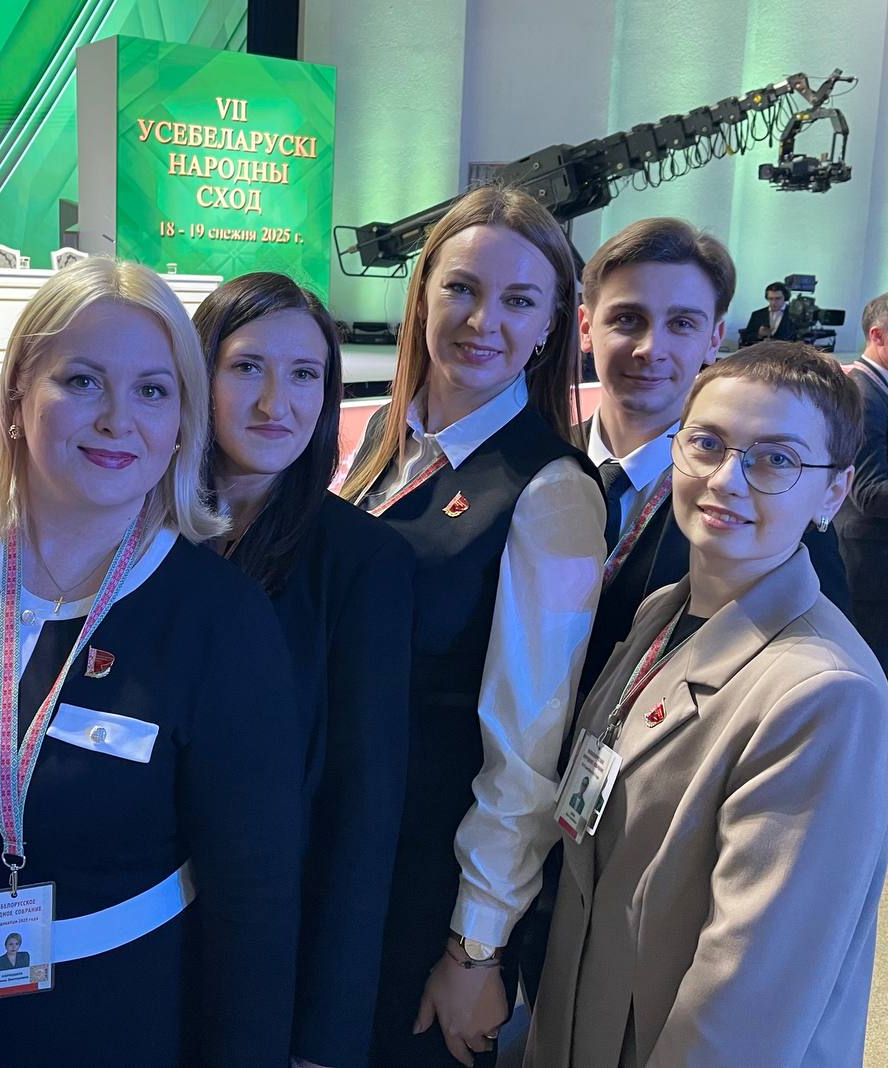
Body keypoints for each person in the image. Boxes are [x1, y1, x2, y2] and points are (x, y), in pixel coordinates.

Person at [0, 257, 304, 1066]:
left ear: (182, 419)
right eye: (82, 382)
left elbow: (253, 907)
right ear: (18, 391)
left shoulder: (221, 620)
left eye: (152, 390)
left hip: (101, 1028)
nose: (119, 420)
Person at [517, 217, 852, 1007]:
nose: (650, 347)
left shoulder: (765, 512)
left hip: (650, 879)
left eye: (681, 323)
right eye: (627, 318)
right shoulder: (529, 471)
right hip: (513, 839)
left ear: (715, 336)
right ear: (586, 324)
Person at [526, 341, 888, 1067]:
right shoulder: (663, 612)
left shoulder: (825, 694)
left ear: (833, 493)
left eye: (776, 459)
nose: (727, 479)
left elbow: (749, 1006)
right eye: (708, 443)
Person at [340, 184, 606, 1067]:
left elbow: (528, 747)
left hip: (427, 875)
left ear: (552, 325)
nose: (482, 321)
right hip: (347, 839)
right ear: (421, 294)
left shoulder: (552, 491)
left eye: (519, 300)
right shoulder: (383, 441)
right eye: (461, 287)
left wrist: (475, 946)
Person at [194, 272, 413, 1067]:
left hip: (268, 953)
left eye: (304, 375)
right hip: (137, 937)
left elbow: (363, 813)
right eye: (246, 367)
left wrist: (326, 1034)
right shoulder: (138, 534)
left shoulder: (363, 563)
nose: (273, 403)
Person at [835, 290, 888, 669]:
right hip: (868, 557)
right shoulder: (864, 396)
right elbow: (869, 493)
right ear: (877, 335)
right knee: (871, 662)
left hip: (872, 552)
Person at [741, 281, 796, 345]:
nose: (773, 302)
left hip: (787, 350)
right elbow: (746, 338)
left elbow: (800, 338)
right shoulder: (757, 315)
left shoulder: (795, 315)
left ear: (786, 297)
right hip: (762, 350)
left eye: (778, 298)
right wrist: (759, 334)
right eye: (770, 299)